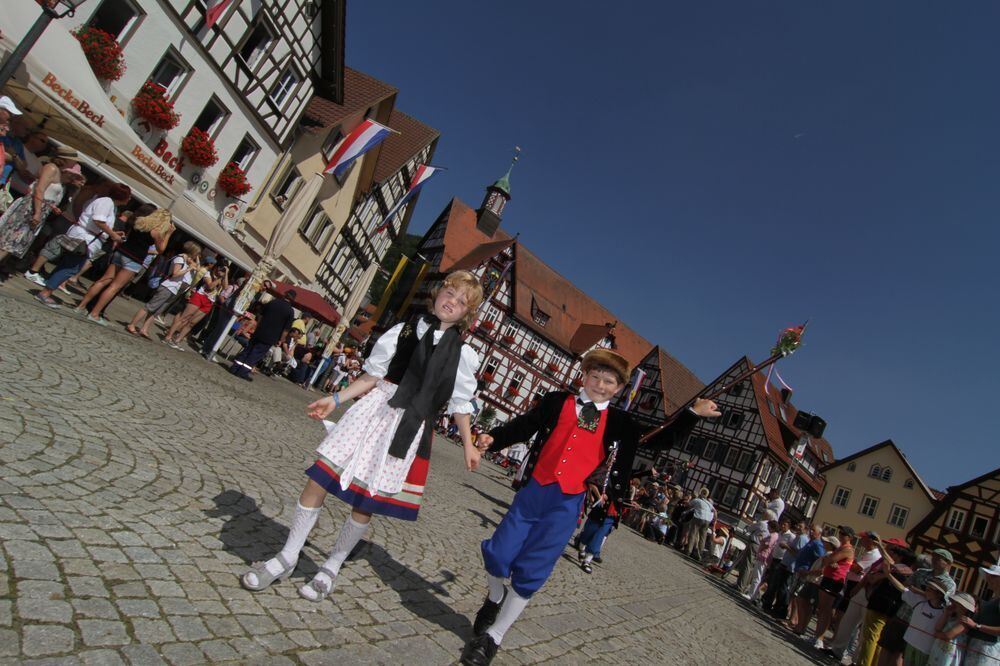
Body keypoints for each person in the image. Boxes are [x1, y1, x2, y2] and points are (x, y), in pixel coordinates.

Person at [461, 348, 720, 665]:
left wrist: (693, 413)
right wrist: (493, 437)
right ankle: (495, 595)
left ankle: (493, 638)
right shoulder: (558, 402)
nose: (600, 384)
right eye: (595, 376)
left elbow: (661, 439)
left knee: (532, 570)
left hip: (568, 503)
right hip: (534, 491)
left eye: (609, 381)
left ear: (619, 388)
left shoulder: (621, 423)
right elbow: (523, 425)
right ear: (583, 376)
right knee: (498, 553)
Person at [239, 271, 484, 603]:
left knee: (364, 503)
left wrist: (469, 444)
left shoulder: (464, 356)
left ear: (467, 314)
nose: (451, 302)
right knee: (319, 477)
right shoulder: (405, 329)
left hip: (406, 426)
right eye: (449, 293)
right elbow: (372, 377)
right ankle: (287, 556)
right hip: (373, 408)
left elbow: (460, 404)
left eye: (461, 301)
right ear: (439, 293)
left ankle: (332, 566)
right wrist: (335, 399)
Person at [29, 182, 131, 305]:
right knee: (71, 267)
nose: (130, 199)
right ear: (122, 196)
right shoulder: (107, 202)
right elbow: (98, 220)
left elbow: (99, 223)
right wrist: (113, 235)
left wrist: (112, 232)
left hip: (86, 237)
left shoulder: (110, 204)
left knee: (69, 265)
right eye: (128, 196)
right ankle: (45, 292)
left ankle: (47, 290)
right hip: (84, 238)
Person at [73, 205, 169, 323]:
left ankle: (81, 306)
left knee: (103, 280)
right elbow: (161, 249)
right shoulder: (156, 232)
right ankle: (95, 313)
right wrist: (168, 234)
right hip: (135, 258)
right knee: (114, 287)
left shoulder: (140, 222)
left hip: (122, 251)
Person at [0, 149, 83, 268]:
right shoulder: (51, 168)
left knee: (15, 243)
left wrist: (52, 207)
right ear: (65, 159)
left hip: (41, 208)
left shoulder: (58, 172)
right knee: (10, 241)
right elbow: (40, 189)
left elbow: (49, 193)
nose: (74, 164)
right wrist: (37, 212)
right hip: (32, 207)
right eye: (73, 161)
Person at [877, 548, 956, 666]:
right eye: (933, 556)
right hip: (903, 614)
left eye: (938, 558)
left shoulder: (950, 584)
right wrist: (889, 574)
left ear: (948, 562)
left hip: (920, 625)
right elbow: (905, 587)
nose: (934, 560)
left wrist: (918, 592)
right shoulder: (921, 572)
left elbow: (942, 601)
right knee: (886, 648)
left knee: (899, 656)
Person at [126, 242, 201, 338]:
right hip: (168, 286)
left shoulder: (185, 259)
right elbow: (175, 273)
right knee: (150, 307)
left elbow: (197, 268)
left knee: (157, 311)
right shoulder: (180, 259)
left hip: (173, 289)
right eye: (196, 253)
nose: (196, 255)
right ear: (192, 251)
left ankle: (144, 328)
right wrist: (188, 269)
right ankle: (132, 324)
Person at [229, 288, 297, 381]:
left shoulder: (273, 302)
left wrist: (258, 327)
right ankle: (243, 372)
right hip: (271, 336)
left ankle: (234, 368)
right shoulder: (290, 311)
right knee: (255, 354)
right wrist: (281, 340)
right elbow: (286, 329)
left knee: (248, 349)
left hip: (259, 331)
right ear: (292, 299)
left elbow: (261, 315)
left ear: (285, 294)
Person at [162, 262, 228, 349]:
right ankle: (168, 336)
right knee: (184, 318)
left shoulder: (222, 277)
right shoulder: (208, 273)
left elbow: (226, 287)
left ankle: (177, 340)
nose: (221, 270)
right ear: (216, 267)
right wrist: (219, 278)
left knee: (192, 323)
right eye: (220, 268)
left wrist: (226, 274)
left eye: (223, 269)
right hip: (200, 296)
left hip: (210, 301)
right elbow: (210, 286)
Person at [811, 525, 856, 650]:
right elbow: (827, 559)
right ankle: (816, 636)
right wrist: (829, 560)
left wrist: (830, 559)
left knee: (826, 609)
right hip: (828, 577)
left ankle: (820, 638)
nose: (841, 535)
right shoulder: (841, 547)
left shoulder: (848, 549)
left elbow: (830, 559)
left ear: (850, 537)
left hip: (835, 580)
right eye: (840, 532)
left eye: (844, 534)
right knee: (821, 608)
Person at [956, 563, 1000, 666]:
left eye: (993, 576)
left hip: (987, 648)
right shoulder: (993, 599)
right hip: (976, 645)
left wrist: (976, 626)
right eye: (988, 575)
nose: (988, 578)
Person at [763, 520, 805, 618]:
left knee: (783, 589)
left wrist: (786, 546)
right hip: (781, 562)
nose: (798, 527)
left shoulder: (795, 537)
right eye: (798, 525)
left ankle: (780, 610)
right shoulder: (792, 536)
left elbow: (797, 553)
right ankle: (770, 604)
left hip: (789, 566)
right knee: (774, 583)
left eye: (801, 526)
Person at [927, 592, 976, 666]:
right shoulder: (951, 618)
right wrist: (946, 613)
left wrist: (937, 634)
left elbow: (948, 636)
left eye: (957, 603)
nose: (953, 604)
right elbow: (937, 627)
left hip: (950, 656)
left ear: (964, 607)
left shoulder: (964, 623)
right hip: (939, 651)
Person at [744, 519, 780, 601]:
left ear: (772, 527)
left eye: (769, 527)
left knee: (757, 576)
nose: (768, 528)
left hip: (764, 557)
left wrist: (762, 541)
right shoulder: (775, 535)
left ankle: (751, 594)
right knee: (758, 576)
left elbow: (768, 544)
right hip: (765, 557)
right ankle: (754, 594)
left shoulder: (773, 535)